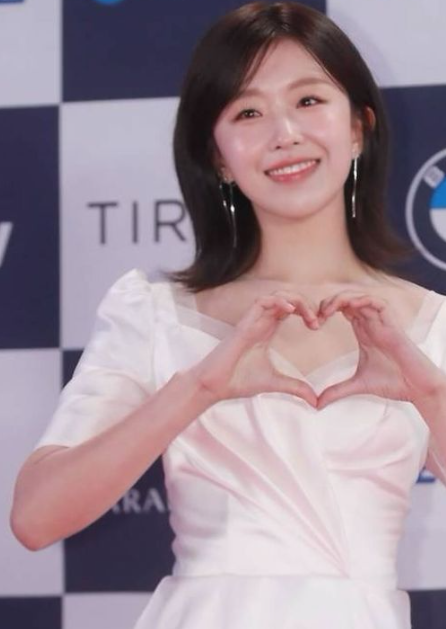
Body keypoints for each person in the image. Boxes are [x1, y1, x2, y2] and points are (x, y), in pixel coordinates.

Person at [10, 2, 446, 628]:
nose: (284, 134)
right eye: (247, 112)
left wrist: (429, 393)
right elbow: (35, 517)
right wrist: (199, 388)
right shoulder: (156, 314)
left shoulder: (429, 324)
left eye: (308, 101)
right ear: (217, 155)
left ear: (358, 127)